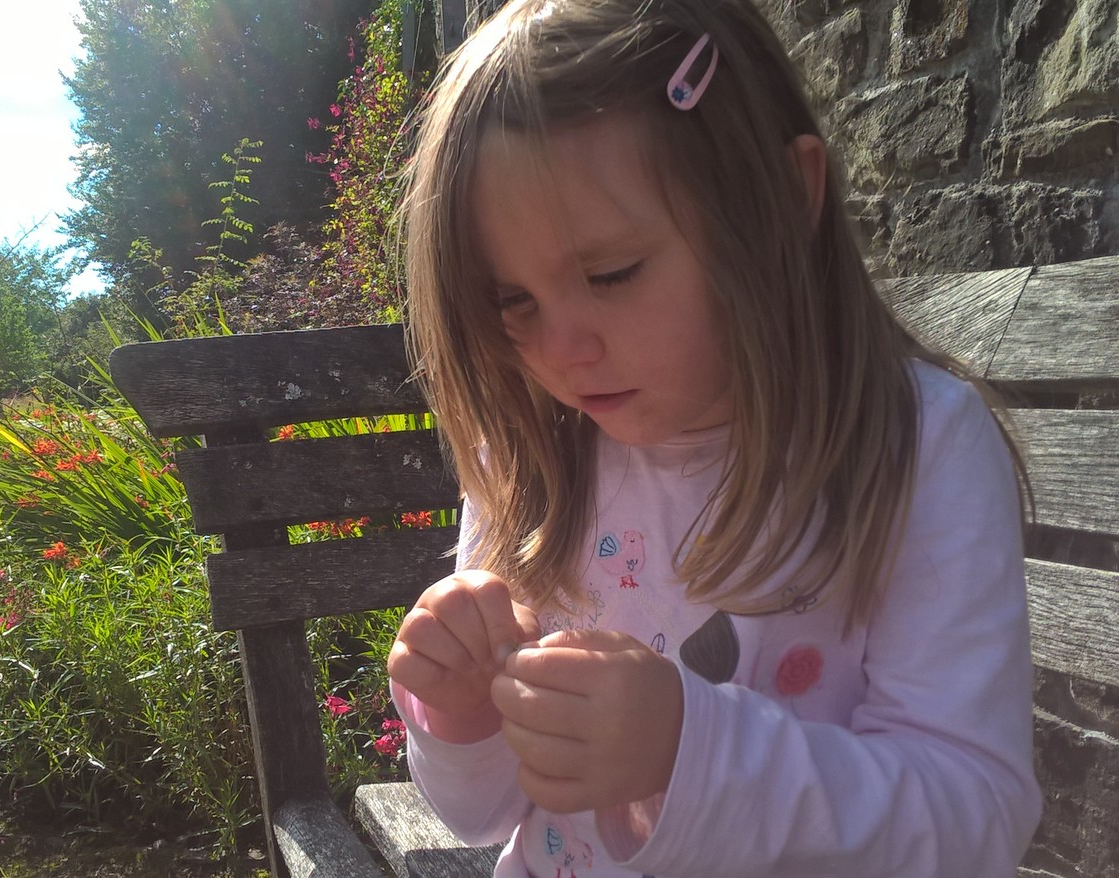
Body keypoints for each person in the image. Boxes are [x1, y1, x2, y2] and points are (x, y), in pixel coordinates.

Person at [385, 0, 1043, 875]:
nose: (563, 350)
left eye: (611, 273)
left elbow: (973, 821)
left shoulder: (918, 449)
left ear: (781, 203)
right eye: (515, 302)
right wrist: (464, 716)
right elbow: (484, 812)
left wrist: (692, 754)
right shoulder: (537, 457)